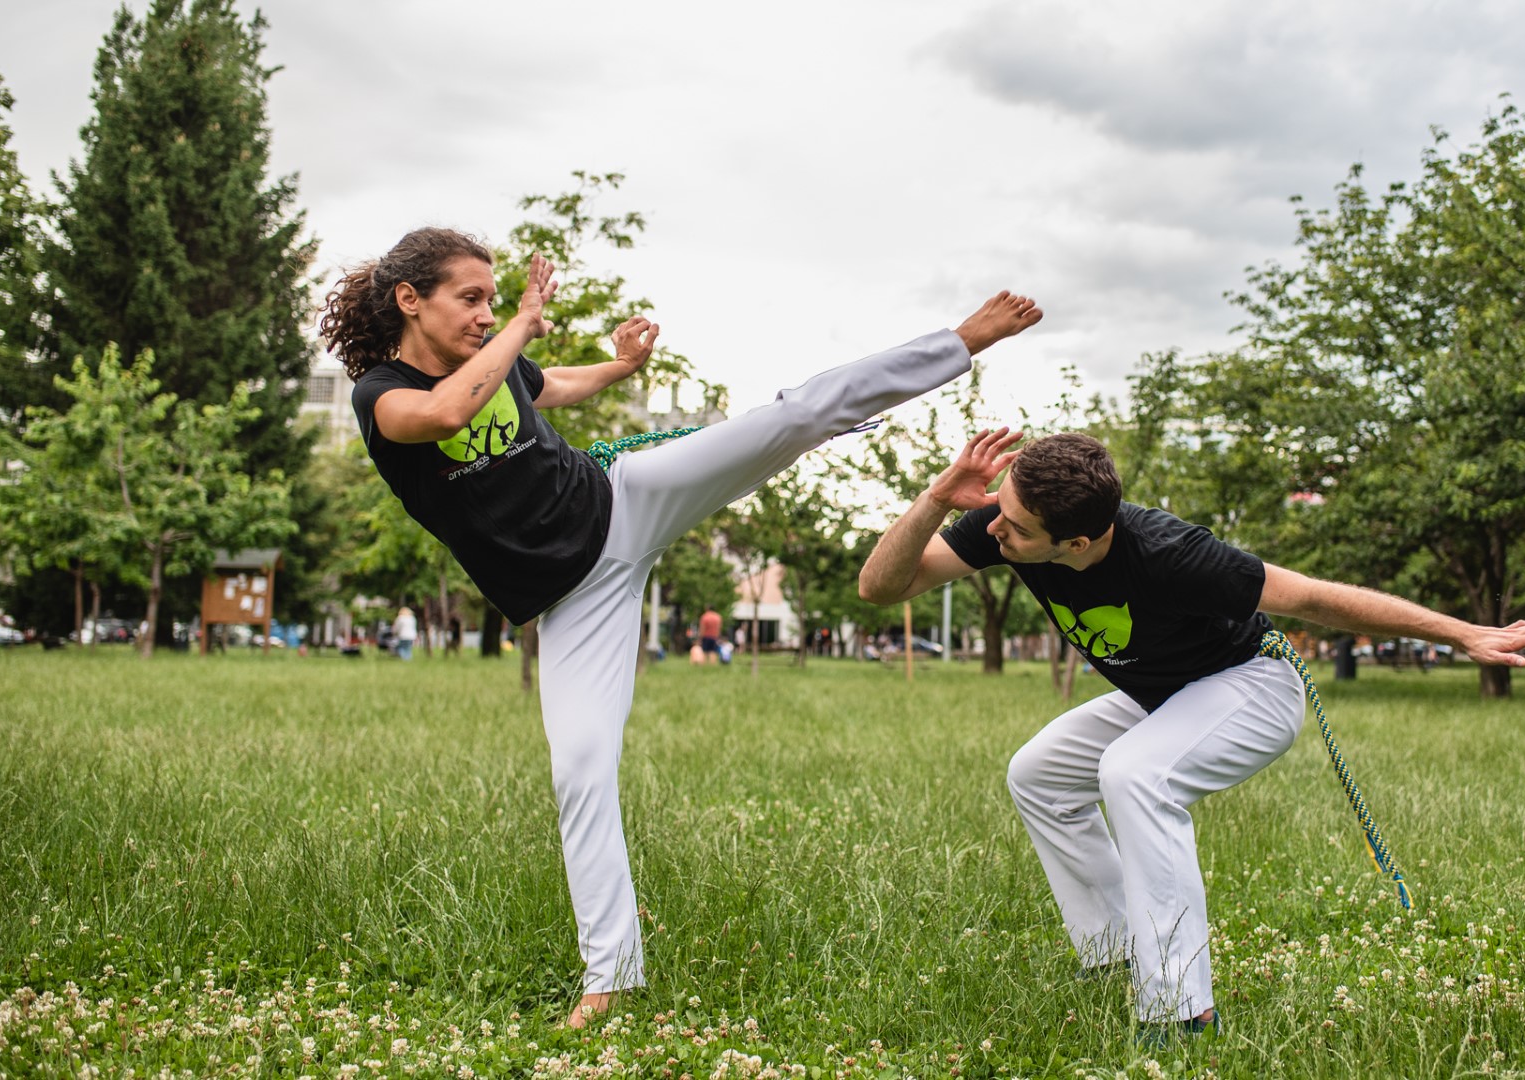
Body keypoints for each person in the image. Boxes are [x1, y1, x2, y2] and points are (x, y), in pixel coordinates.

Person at [321, 226, 1041, 1028]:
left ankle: (962, 340)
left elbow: (549, 384)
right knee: (581, 773)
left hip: (625, 497)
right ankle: (611, 978)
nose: (487, 314)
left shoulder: (498, 358)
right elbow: (450, 410)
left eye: (493, 298)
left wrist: (621, 368)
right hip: (572, 600)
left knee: (798, 413)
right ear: (409, 300)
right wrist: (524, 320)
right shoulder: (380, 394)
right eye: (471, 298)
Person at [857, 429, 1525, 1040]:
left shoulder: (1172, 553)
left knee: (1134, 774)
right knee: (1038, 773)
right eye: (998, 513)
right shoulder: (1006, 520)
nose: (994, 530)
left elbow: (1317, 599)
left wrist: (1465, 633)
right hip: (1165, 693)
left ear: (1075, 542)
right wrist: (935, 500)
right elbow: (881, 589)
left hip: (1252, 687)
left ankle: (1179, 1008)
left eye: (1012, 527)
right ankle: (1115, 951)